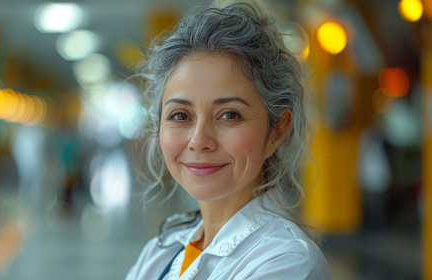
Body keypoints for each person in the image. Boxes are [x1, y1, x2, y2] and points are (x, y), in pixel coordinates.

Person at [126, 0, 332, 279]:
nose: (199, 141)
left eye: (229, 115)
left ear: (278, 130)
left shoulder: (286, 261)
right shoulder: (159, 254)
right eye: (180, 116)